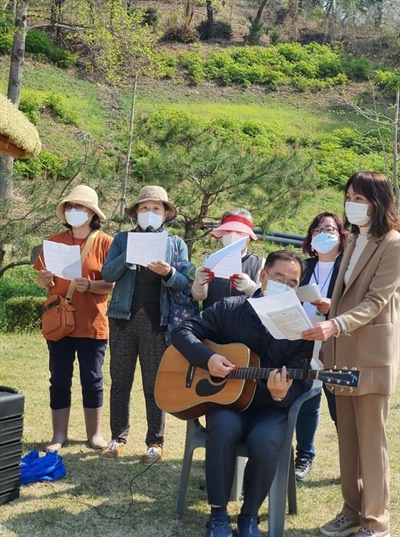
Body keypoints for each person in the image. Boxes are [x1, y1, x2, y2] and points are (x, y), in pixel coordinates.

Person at [171, 250, 313, 537]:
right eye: (278, 277)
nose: (284, 285)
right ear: (262, 276)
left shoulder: (301, 329)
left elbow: (302, 381)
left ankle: (249, 516)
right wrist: (207, 359)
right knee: (222, 428)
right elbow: (182, 332)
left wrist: (280, 394)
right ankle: (218, 515)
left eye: (292, 283)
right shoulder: (229, 308)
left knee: (266, 439)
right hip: (227, 403)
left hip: (270, 409)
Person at [301, 172, 400, 537]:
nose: (351, 204)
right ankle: (352, 511)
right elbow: (341, 296)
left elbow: (376, 301)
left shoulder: (393, 244)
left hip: (371, 354)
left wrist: (334, 325)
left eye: (359, 198)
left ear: (378, 201)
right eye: (349, 197)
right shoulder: (354, 240)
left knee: (372, 443)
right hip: (340, 356)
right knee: (349, 441)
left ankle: (376, 523)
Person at [101, 185, 193, 463]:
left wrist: (169, 272)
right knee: (120, 380)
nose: (150, 213)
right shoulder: (122, 239)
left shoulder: (176, 244)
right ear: (135, 213)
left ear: (165, 214)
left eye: (156, 208)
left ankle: (155, 441)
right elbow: (107, 273)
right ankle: (118, 437)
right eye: (144, 208)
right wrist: (127, 256)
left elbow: (185, 282)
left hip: (158, 322)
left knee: (154, 383)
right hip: (122, 318)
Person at [34, 185, 113, 452]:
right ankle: (58, 434)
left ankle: (95, 435)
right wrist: (43, 279)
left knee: (92, 379)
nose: (73, 211)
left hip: (92, 322)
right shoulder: (54, 241)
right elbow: (43, 278)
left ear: (92, 213)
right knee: (59, 378)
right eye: (69, 207)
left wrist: (90, 286)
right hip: (60, 323)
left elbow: (113, 283)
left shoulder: (106, 242)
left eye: (79, 207)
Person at [294, 211, 347, 481]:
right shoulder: (303, 267)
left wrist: (332, 308)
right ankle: (304, 456)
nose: (322, 234)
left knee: (340, 408)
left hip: (338, 345)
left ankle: (351, 463)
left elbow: (358, 305)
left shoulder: (348, 267)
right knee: (307, 403)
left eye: (330, 229)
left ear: (341, 236)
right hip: (304, 343)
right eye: (316, 230)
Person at [191, 208, 264, 309]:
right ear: (222, 234)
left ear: (249, 237)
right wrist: (199, 283)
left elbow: (264, 300)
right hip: (211, 320)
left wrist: (250, 287)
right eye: (228, 231)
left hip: (243, 322)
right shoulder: (211, 260)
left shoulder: (259, 264)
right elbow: (198, 297)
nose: (233, 235)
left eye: (240, 232)